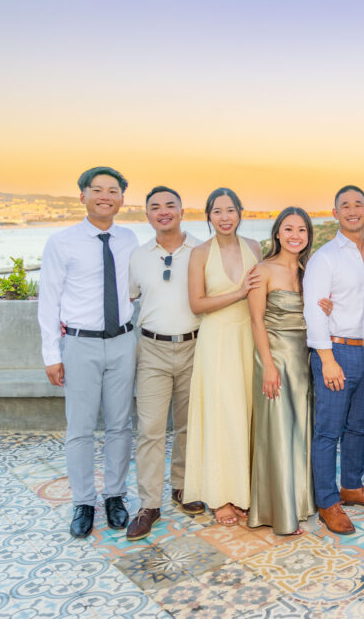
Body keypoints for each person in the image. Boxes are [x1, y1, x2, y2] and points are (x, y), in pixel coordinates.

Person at [38, 166, 139, 538]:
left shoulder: (130, 239)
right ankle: (83, 501)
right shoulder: (61, 243)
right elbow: (47, 301)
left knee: (120, 425)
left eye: (113, 191)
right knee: (80, 428)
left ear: (121, 199)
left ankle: (115, 495)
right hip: (79, 344)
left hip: (123, 341)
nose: (105, 196)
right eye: (97, 190)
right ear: (82, 196)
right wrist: (52, 354)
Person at [303, 186, 364, 536]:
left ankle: (352, 487)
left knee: (359, 427)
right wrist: (327, 358)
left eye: (358, 204)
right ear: (335, 212)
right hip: (336, 352)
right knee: (328, 431)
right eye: (345, 206)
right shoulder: (325, 257)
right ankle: (327, 502)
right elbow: (314, 309)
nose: (352, 210)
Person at [126, 186, 207, 541]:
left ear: (181, 210)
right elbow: (127, 297)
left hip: (195, 346)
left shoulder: (202, 251)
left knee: (190, 426)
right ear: (147, 215)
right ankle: (148, 504)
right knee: (151, 430)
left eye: (169, 205)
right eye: (154, 207)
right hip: (152, 350)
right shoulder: (138, 256)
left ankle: (183, 487)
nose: (163, 212)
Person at [185, 188, 262, 527]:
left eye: (231, 209)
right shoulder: (199, 253)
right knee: (220, 416)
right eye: (218, 211)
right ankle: (219, 496)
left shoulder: (255, 248)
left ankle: (242, 493)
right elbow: (197, 305)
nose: (225, 216)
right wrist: (239, 293)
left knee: (245, 415)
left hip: (248, 337)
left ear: (240, 212)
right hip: (216, 342)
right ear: (209, 216)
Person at [247, 207, 316, 535]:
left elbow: (315, 313)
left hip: (304, 359)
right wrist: (268, 367)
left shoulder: (308, 271)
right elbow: (256, 320)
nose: (294, 236)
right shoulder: (263, 269)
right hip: (274, 358)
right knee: (276, 431)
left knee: (300, 430)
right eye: (288, 229)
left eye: (301, 230)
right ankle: (280, 514)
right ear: (277, 233)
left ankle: (301, 503)